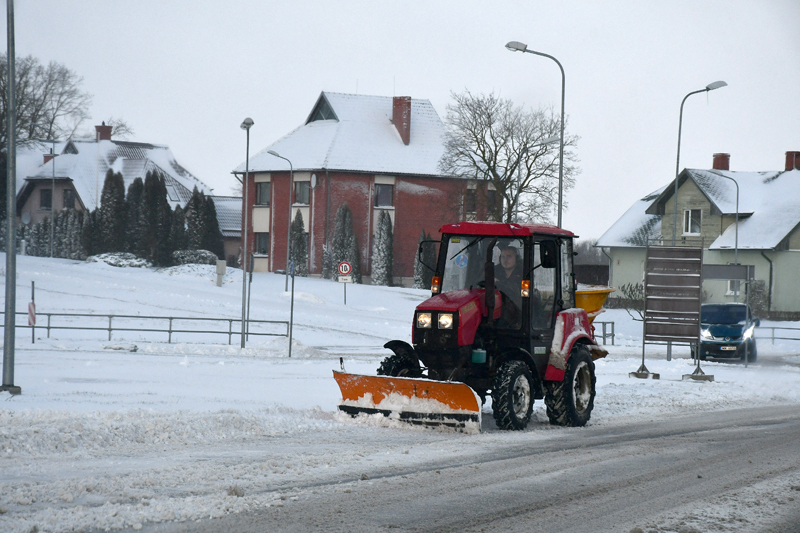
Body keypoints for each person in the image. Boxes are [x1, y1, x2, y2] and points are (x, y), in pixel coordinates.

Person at [495, 246, 523, 327]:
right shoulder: (495, 272)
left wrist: (498, 284)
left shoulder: (523, 273)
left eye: (509, 257)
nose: (505, 260)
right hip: (497, 309)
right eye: (503, 257)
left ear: (516, 259)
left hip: (518, 311)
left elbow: (515, 292)